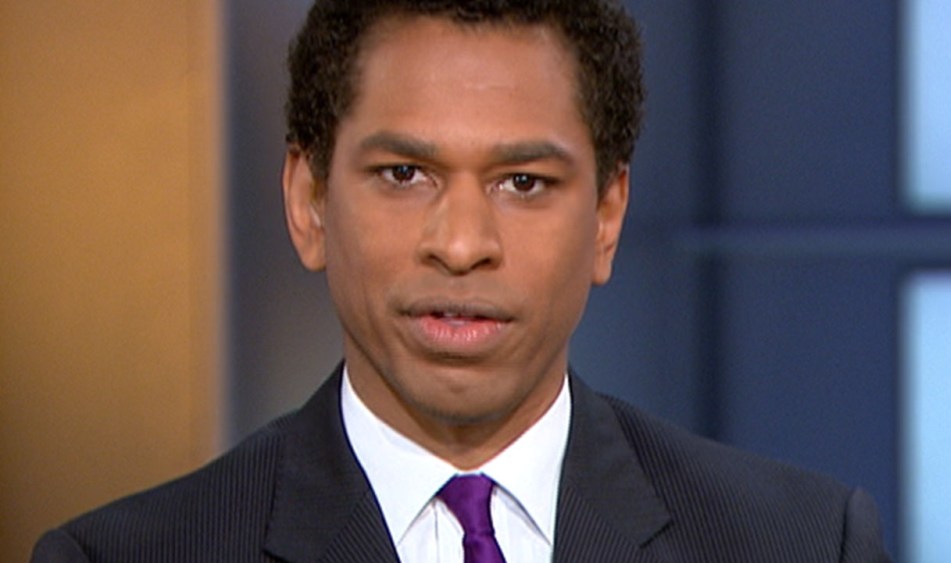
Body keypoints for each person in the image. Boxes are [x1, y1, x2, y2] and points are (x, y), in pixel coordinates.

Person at [32, 0, 892, 561]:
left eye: (523, 182)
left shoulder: (801, 543)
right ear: (308, 201)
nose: (462, 244)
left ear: (607, 216)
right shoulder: (124, 555)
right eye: (405, 174)